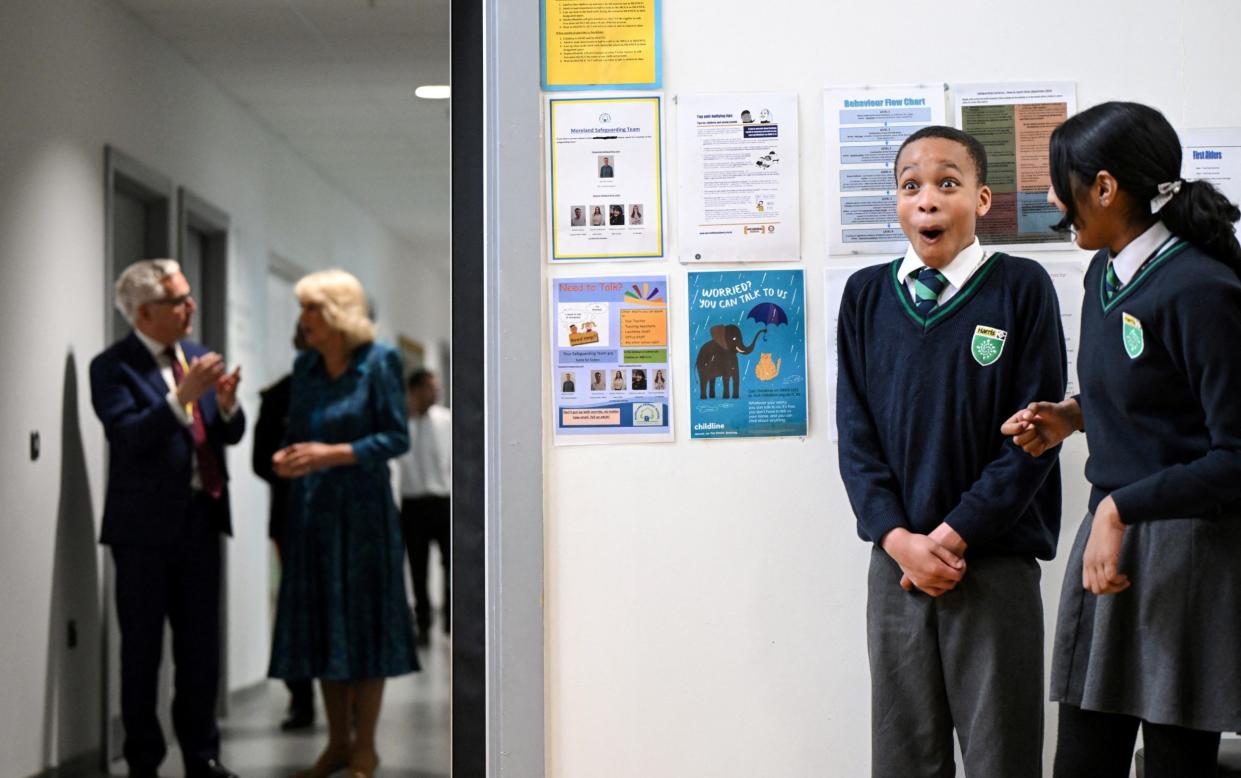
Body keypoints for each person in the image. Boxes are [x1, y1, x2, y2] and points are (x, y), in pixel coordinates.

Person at [1001, 101, 1241, 778]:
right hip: (1109, 540)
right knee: (1081, 759)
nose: (1052, 198)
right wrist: (1071, 415)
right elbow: (1156, 397)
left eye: (1060, 182)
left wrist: (1117, 508)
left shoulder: (1200, 288)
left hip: (1184, 556)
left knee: (1173, 764)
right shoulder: (1102, 272)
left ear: (1103, 188)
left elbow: (1233, 455)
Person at [836, 126, 1066, 777]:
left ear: (982, 198)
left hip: (990, 566)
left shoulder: (1020, 287)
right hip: (897, 567)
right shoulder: (864, 296)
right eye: (910, 186)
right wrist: (898, 538)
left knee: (1001, 754)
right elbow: (855, 438)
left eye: (946, 183)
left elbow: (1035, 437)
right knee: (904, 753)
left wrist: (954, 533)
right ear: (896, 203)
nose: (927, 200)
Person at [90, 259, 244, 778]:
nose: (191, 307)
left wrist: (224, 405)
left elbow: (227, 434)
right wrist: (182, 397)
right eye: (180, 301)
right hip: (142, 535)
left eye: (189, 296)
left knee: (201, 651)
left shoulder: (196, 357)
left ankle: (203, 755)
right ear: (146, 313)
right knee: (142, 652)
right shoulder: (112, 367)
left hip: (201, 522)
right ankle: (143, 761)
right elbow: (129, 436)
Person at [268, 269, 418, 778]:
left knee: (365, 627)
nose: (303, 320)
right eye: (302, 309)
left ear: (337, 314)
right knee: (324, 628)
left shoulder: (381, 363)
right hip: (313, 512)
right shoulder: (305, 368)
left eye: (311, 309)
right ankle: (335, 743)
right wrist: (291, 459)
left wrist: (332, 453)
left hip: (365, 515)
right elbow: (300, 433)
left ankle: (365, 747)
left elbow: (396, 438)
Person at [252, 325, 315, 730]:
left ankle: (348, 703)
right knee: (297, 607)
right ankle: (301, 696)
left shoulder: (352, 391)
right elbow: (260, 461)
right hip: (292, 515)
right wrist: (291, 465)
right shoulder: (278, 396)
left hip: (341, 513)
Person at [398, 368, 453, 646]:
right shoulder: (401, 424)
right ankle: (423, 623)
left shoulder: (447, 420)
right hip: (413, 504)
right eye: (431, 387)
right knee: (418, 568)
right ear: (416, 390)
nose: (437, 391)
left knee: (451, 563)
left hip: (443, 501)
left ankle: (451, 619)